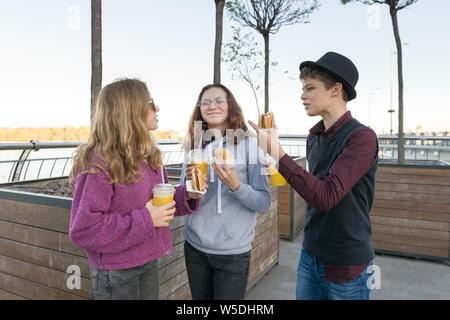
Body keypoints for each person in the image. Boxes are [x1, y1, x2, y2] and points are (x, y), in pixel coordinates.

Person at [249, 52, 379, 300]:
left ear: (335, 90)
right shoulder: (314, 136)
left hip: (346, 264)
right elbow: (312, 188)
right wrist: (274, 160)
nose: (302, 95)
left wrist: (277, 153)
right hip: (310, 254)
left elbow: (326, 196)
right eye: (302, 88)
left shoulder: (362, 138)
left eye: (310, 88)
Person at [69, 78, 202, 300]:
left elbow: (156, 204)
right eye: (150, 103)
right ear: (130, 110)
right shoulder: (99, 162)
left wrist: (186, 194)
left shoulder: (147, 155)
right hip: (116, 271)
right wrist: (147, 220)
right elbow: (83, 229)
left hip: (147, 258)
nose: (157, 108)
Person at [181, 83, 271, 300]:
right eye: (206, 102)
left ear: (231, 105)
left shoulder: (250, 145)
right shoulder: (194, 144)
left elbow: (264, 203)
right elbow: (184, 193)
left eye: (219, 100)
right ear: (199, 108)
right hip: (194, 248)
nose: (212, 106)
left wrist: (236, 185)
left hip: (233, 253)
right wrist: (190, 193)